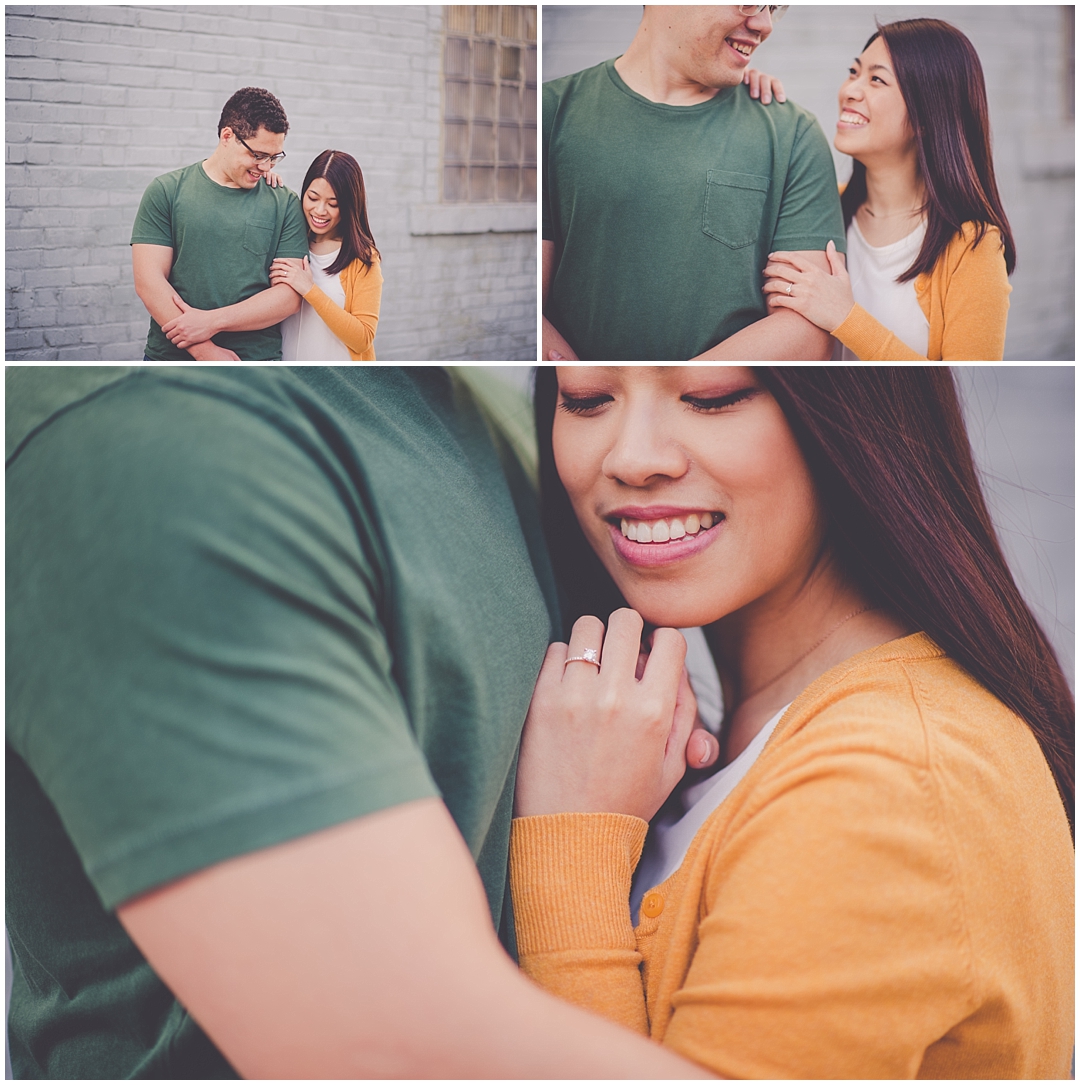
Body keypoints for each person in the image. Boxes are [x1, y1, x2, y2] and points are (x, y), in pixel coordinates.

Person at [5, 365, 714, 1079]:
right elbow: (410, 1052)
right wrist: (574, 843)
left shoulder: (458, 396)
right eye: (590, 399)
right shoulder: (146, 455)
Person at [511, 366, 1074, 1078]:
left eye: (712, 396)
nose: (632, 457)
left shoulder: (885, 785)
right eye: (586, 399)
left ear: (852, 408)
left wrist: (572, 846)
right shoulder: (760, 735)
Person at [542, 4, 843, 362]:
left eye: (774, 7)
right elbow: (522, 310)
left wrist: (664, 392)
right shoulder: (548, 113)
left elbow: (808, 333)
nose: (764, 24)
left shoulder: (792, 134)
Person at [762, 20, 1015, 360]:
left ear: (926, 117)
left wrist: (845, 317)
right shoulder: (816, 206)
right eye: (854, 72)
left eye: (877, 79)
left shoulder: (973, 247)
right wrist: (748, 101)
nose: (850, 90)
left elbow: (959, 389)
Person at [130, 87, 308, 361]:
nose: (266, 167)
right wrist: (205, 351)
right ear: (228, 136)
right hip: (171, 360)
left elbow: (288, 298)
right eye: (258, 155)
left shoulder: (284, 202)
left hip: (254, 363)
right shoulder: (166, 191)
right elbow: (149, 282)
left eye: (274, 157)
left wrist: (212, 322)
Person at [269, 150, 383, 361]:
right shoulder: (290, 241)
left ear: (349, 206)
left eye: (333, 204)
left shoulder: (363, 259)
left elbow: (363, 338)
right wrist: (268, 187)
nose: (320, 210)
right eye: (313, 198)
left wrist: (310, 290)